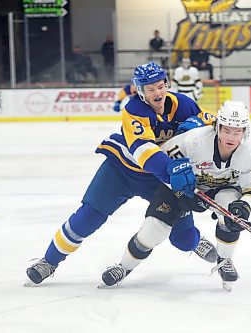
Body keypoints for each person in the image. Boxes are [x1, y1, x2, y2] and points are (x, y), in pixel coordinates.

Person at [25, 62, 218, 285]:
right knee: (87, 218)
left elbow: (214, 123)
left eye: (160, 86)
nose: (157, 92)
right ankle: (49, 261)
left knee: (183, 239)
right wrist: (171, 173)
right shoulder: (134, 109)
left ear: (167, 83)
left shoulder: (184, 104)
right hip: (122, 170)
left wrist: (200, 122)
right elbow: (143, 150)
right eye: (150, 88)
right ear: (140, 91)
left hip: (160, 177)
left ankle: (195, 241)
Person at [100, 101, 251, 292]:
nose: (231, 137)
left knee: (230, 212)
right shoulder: (194, 140)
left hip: (223, 189)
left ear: (244, 132)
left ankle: (224, 260)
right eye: (226, 130)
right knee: (155, 228)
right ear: (217, 127)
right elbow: (163, 166)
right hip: (183, 187)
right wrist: (181, 192)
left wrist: (245, 207)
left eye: (237, 132)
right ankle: (124, 267)